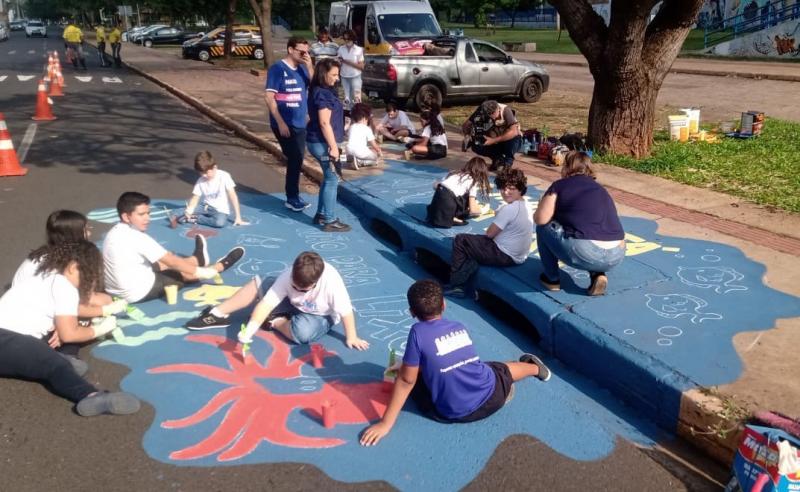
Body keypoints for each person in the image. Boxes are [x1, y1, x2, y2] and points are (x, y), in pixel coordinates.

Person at [359, 279, 550, 445]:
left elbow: (406, 381)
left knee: (417, 384)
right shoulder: (458, 327)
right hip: (492, 395)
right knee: (496, 368)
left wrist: (385, 424)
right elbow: (444, 355)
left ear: (411, 312)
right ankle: (535, 368)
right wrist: (410, 363)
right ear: (444, 305)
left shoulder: (417, 332)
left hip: (455, 413)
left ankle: (520, 374)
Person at [0, 240, 141, 417]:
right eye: (88, 273)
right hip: (9, 340)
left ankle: (67, 359)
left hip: (11, 342)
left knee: (61, 338)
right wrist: (100, 329)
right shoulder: (63, 285)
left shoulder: (42, 279)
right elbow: (69, 333)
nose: (88, 281)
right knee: (53, 364)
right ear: (73, 267)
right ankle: (89, 395)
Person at [184, 251, 370, 351]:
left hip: (318, 314)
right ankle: (218, 313)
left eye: (302, 289)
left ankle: (275, 320)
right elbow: (266, 303)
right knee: (259, 282)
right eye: (294, 285)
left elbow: (346, 311)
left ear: (315, 282)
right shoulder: (288, 276)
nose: (297, 290)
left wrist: (351, 337)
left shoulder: (331, 284)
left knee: (303, 333)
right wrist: (248, 331)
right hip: (291, 303)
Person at [102, 192, 245, 303]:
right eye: (141, 214)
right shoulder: (138, 237)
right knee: (179, 272)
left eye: (148, 213)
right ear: (126, 217)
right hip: (138, 292)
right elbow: (172, 261)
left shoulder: (113, 232)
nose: (147, 218)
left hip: (116, 290)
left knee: (159, 263)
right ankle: (218, 267)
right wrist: (201, 273)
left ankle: (197, 259)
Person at [533, 151, 626, 296]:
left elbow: (541, 219)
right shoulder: (601, 189)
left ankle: (551, 279)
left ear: (567, 167)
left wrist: (541, 207)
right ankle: (597, 274)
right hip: (617, 254)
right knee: (589, 229)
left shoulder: (560, 186)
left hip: (584, 251)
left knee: (543, 228)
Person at [444, 168, 533, 298]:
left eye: (511, 188)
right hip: (519, 256)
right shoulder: (526, 204)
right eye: (503, 188)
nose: (505, 192)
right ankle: (469, 267)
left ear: (520, 188)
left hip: (505, 254)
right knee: (473, 243)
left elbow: (490, 234)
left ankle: (457, 285)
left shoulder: (509, 209)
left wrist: (499, 216)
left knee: (460, 240)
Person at [265, 37, 314, 212]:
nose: (304, 54)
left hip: (301, 121)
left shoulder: (302, 69)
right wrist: (280, 122)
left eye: (307, 52)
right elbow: (269, 97)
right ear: (290, 50)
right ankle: (292, 197)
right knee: (295, 158)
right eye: (301, 51)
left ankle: (293, 195)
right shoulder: (277, 69)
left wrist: (309, 66)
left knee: (297, 158)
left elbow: (315, 87)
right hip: (284, 122)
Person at [306, 58, 351, 232]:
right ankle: (329, 220)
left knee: (328, 176)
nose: (337, 78)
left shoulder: (322, 90)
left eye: (338, 74)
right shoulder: (322, 94)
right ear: (324, 74)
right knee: (332, 178)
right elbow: (324, 123)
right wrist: (333, 147)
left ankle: (322, 214)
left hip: (320, 141)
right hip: (322, 142)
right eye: (334, 75)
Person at [181, 151, 249, 228]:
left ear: (215, 167)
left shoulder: (224, 176)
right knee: (184, 212)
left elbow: (232, 195)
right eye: (201, 173)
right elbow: (195, 197)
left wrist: (238, 217)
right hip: (205, 207)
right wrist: (189, 210)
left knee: (219, 223)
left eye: (206, 172)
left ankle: (195, 218)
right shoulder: (201, 180)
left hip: (220, 209)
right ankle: (185, 216)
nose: (204, 175)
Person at [426, 157, 491, 228]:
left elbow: (435, 186)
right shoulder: (472, 181)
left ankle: (446, 214)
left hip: (434, 206)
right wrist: (481, 210)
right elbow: (473, 210)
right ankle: (451, 216)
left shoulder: (455, 173)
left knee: (447, 194)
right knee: (467, 200)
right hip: (447, 207)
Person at [462, 100, 522, 171]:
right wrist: (467, 137)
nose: (491, 117)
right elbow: (466, 125)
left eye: (493, 114)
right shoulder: (481, 110)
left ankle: (507, 165)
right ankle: (497, 159)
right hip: (493, 139)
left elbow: (514, 132)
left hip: (509, 140)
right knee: (476, 145)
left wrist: (493, 140)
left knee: (512, 141)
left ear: (498, 109)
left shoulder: (506, 110)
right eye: (488, 115)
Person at [337, 30, 364, 110]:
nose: (346, 41)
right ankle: (349, 114)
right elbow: (339, 63)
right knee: (347, 97)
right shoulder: (341, 49)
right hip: (344, 75)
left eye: (348, 39)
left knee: (356, 97)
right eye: (344, 39)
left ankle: (358, 114)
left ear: (353, 39)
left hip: (355, 76)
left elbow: (361, 67)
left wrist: (347, 62)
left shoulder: (358, 49)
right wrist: (339, 62)